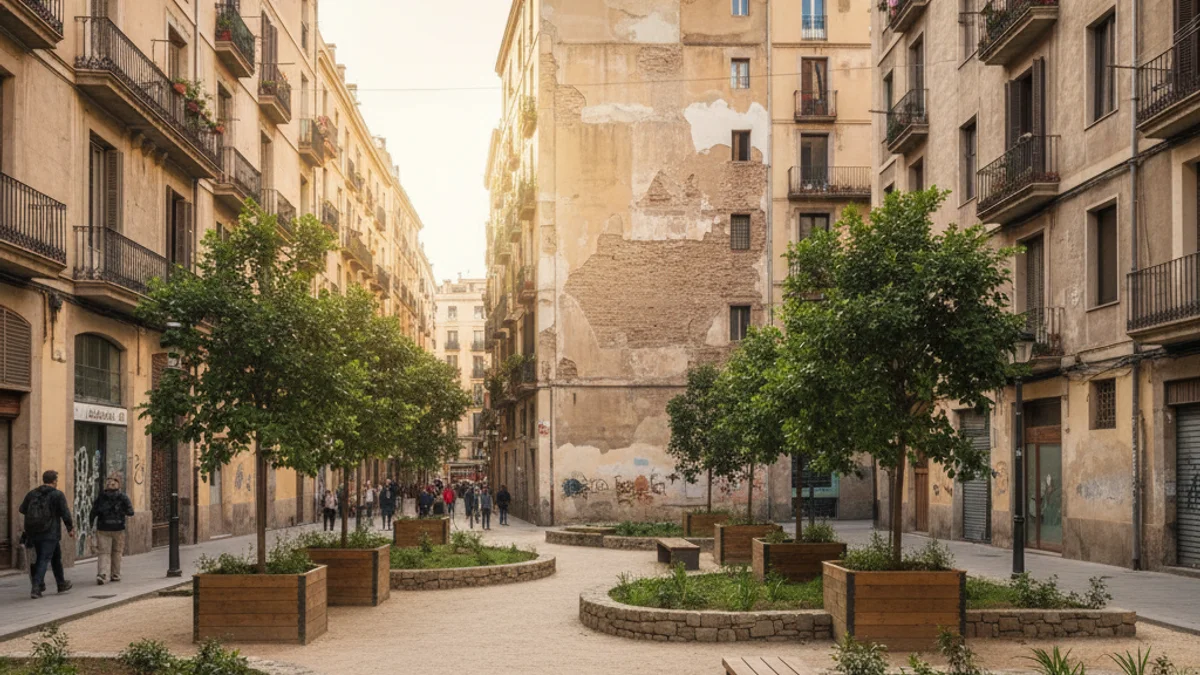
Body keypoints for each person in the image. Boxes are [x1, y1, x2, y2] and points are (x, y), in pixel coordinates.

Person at [19, 470, 74, 599]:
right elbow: (65, 512)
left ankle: (61, 583)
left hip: (33, 532)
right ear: (54, 481)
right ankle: (36, 587)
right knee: (43, 559)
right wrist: (70, 528)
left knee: (55, 557)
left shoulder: (32, 493)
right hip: (50, 532)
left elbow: (22, 510)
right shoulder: (57, 495)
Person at [89, 475, 133, 585]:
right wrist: (121, 512)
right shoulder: (123, 497)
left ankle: (103, 574)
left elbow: (93, 512)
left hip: (103, 528)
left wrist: (91, 526)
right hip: (118, 528)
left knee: (104, 552)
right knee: (117, 552)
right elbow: (131, 512)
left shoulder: (101, 497)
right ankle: (115, 574)